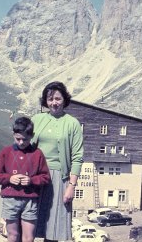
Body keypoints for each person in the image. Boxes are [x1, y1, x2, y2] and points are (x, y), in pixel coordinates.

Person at [32, 81, 84, 241]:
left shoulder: (72, 123)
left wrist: (71, 186)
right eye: (50, 99)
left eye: (57, 98)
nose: (54, 103)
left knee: (55, 228)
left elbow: (77, 157)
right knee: (30, 223)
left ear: (64, 100)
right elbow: (24, 146)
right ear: (45, 101)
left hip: (59, 179)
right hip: (35, 177)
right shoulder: (36, 119)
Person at [0, 116, 51, 242]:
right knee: (12, 235)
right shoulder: (6, 152)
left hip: (30, 201)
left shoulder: (37, 154)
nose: (21, 142)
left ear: (32, 136)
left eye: (25, 139)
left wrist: (32, 180)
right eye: (18, 139)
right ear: (13, 134)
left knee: (28, 237)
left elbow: (45, 177)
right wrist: (9, 178)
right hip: (10, 199)